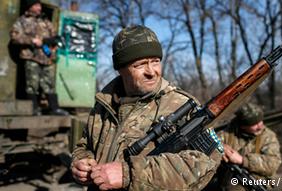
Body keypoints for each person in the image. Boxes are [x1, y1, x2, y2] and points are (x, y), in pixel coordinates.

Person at [71, 25, 222, 190]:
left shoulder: (182, 105)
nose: (152, 71)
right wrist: (81, 163)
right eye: (140, 64)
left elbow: (205, 162)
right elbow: (84, 146)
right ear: (121, 69)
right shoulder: (103, 104)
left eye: (155, 61)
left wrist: (129, 173)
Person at [10, 0, 68, 116]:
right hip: (31, 57)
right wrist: (31, 40)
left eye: (39, 5)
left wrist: (53, 44)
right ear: (30, 6)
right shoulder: (22, 20)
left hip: (46, 58)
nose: (39, 7)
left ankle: (54, 108)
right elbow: (14, 37)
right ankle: (34, 110)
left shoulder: (45, 21)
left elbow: (55, 36)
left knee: (49, 84)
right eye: (36, 5)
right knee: (32, 85)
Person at [213, 103, 282, 191]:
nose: (260, 126)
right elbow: (210, 146)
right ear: (243, 126)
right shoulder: (226, 134)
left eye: (260, 121)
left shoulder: (268, 136)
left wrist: (242, 160)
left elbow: (273, 163)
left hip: (257, 184)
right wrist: (220, 149)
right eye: (254, 124)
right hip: (226, 182)